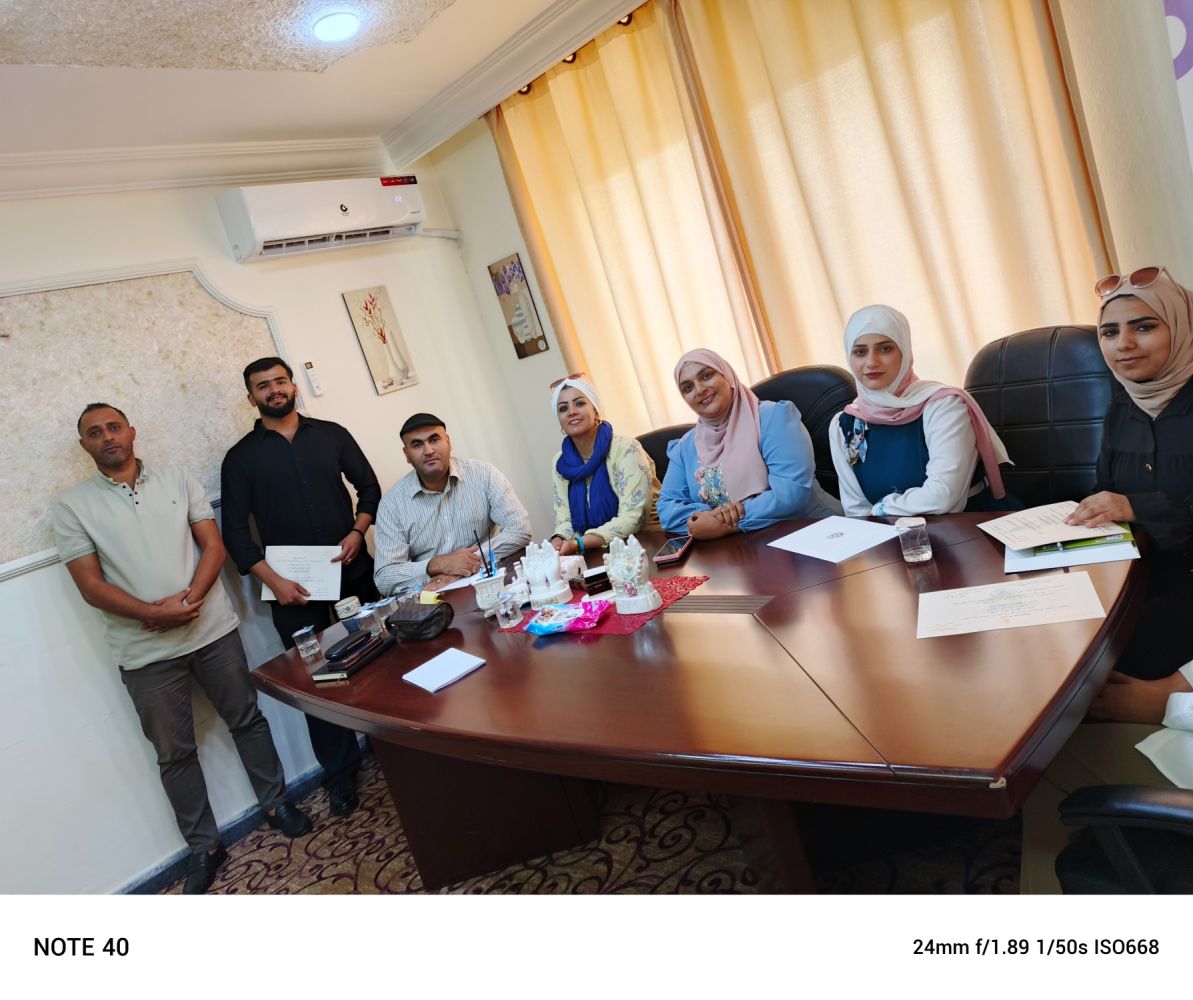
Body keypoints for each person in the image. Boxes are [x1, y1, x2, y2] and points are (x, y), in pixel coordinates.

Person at [53, 404, 312, 894]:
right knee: (174, 755)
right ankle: (204, 846)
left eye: (114, 427)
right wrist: (152, 613)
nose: (107, 437)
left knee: (247, 720)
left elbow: (212, 546)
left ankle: (277, 803)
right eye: (95, 432)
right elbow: (90, 585)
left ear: (131, 431)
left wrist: (186, 603)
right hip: (144, 651)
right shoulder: (72, 507)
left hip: (210, 630)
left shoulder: (177, 478)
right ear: (84, 445)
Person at [1020, 266, 1193, 892]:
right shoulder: (1125, 402)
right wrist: (1086, 518)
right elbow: (1107, 486)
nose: (1124, 345)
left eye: (1144, 326)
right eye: (1110, 331)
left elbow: (1140, 502)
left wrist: (1174, 698)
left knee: (1054, 747)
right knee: (1055, 658)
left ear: (1182, 328)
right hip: (1151, 583)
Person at [221, 357, 381, 818]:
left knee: (380, 656)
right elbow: (236, 534)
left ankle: (395, 741)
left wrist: (358, 532)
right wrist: (275, 582)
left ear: (293, 386)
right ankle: (340, 773)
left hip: (352, 572)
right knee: (318, 681)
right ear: (251, 397)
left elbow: (369, 487)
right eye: (262, 386)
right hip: (293, 590)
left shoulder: (331, 434)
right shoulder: (240, 458)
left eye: (279, 381)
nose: (273, 390)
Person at [829, 304, 1014, 517]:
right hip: (888, 532)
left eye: (885, 349)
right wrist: (877, 524)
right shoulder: (843, 424)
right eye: (860, 352)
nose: (871, 362)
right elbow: (856, 509)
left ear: (905, 352)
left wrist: (880, 508)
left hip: (965, 525)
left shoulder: (944, 406)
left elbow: (943, 496)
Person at [657, 348, 841, 538]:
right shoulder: (685, 447)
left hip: (819, 533)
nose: (700, 389)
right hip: (746, 548)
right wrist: (705, 517)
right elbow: (667, 509)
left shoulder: (773, 418)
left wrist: (724, 522)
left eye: (707, 376)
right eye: (688, 388)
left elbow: (791, 493)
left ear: (726, 375)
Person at [373, 413, 533, 594]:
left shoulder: (484, 475)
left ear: (448, 442)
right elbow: (385, 577)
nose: (428, 450)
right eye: (417, 445)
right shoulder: (391, 505)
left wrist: (467, 563)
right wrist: (438, 564)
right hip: (436, 595)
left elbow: (520, 529)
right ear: (406, 454)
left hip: (489, 579)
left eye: (434, 440)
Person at [547, 373, 659, 557]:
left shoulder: (627, 449)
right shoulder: (560, 462)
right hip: (596, 552)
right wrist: (559, 539)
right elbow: (565, 517)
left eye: (579, 403)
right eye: (563, 408)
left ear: (596, 411)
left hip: (647, 544)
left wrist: (579, 543)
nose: (571, 411)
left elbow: (634, 517)